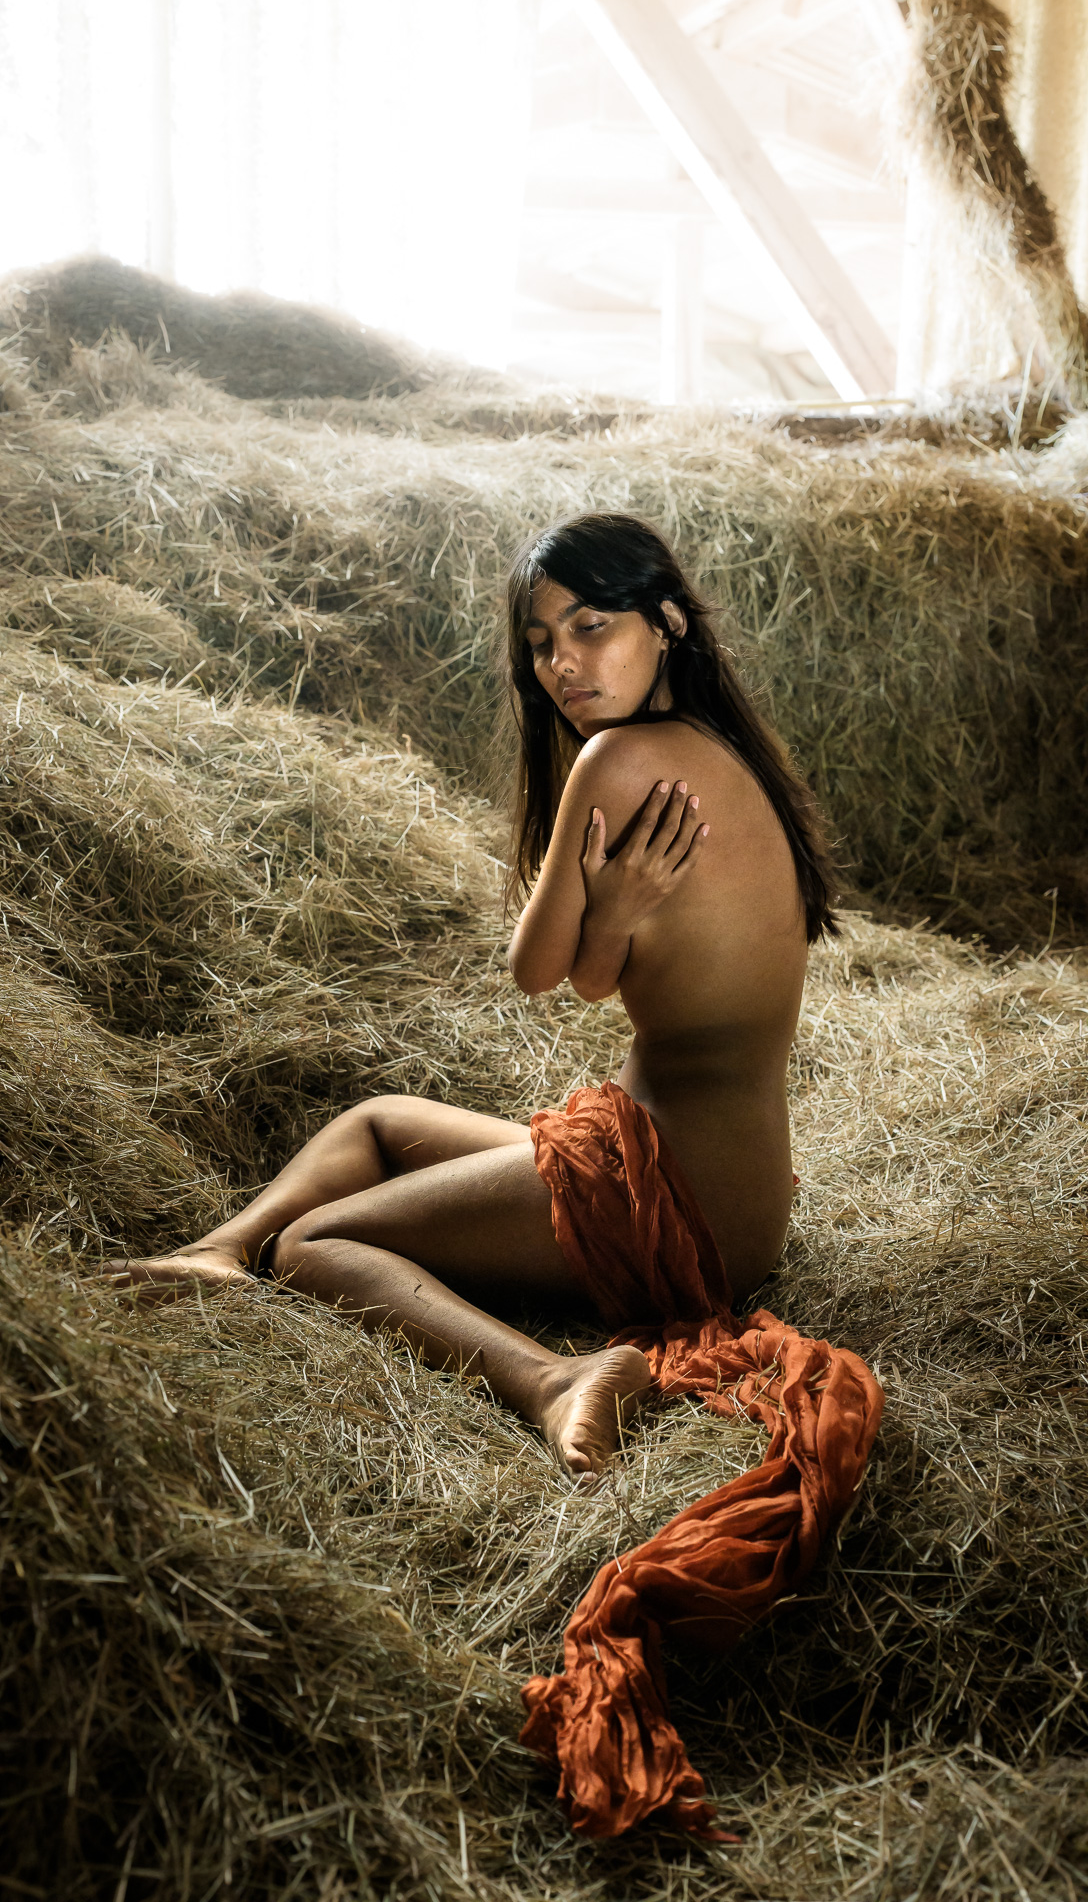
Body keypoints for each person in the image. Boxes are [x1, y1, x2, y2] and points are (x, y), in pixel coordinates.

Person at [110, 512, 838, 1478]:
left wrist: (604, 913)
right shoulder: (726, 751)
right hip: (740, 1196)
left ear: (667, 622)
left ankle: (554, 1380)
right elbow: (597, 977)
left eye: (590, 627)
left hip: (674, 1197)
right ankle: (215, 1253)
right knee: (376, 1126)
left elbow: (535, 970)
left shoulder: (617, 761)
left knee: (315, 1245)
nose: (562, 664)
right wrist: (616, 913)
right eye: (540, 643)